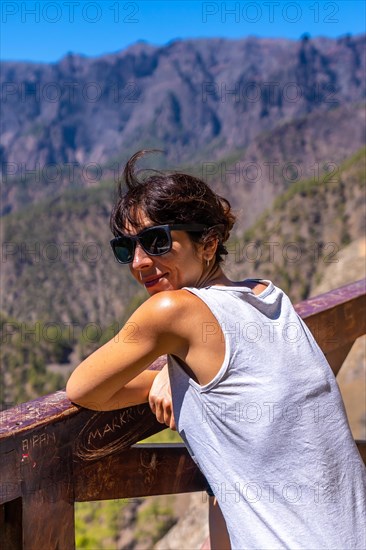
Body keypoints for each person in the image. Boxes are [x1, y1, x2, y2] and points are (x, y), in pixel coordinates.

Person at [66, 150, 366, 549]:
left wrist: (166, 379)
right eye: (126, 247)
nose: (139, 262)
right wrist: (172, 379)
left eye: (155, 241)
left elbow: (83, 389)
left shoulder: (171, 310)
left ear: (208, 244)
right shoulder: (267, 295)